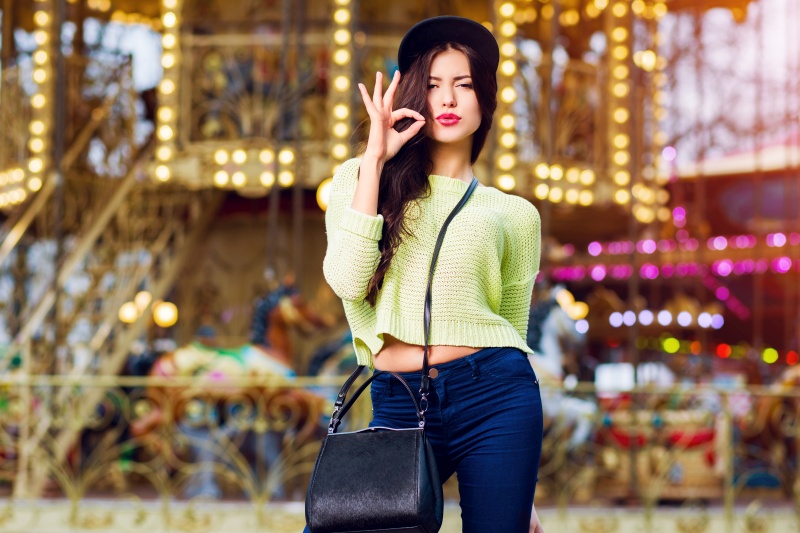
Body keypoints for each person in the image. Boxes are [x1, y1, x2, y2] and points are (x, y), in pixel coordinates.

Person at [315, 16, 544, 533]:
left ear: (483, 99)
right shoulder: (358, 178)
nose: (448, 98)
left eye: (463, 85)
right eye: (434, 84)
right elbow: (349, 281)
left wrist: (518, 490)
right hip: (398, 394)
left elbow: (513, 323)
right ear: (415, 94)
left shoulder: (515, 214)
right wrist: (374, 159)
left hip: (498, 395)